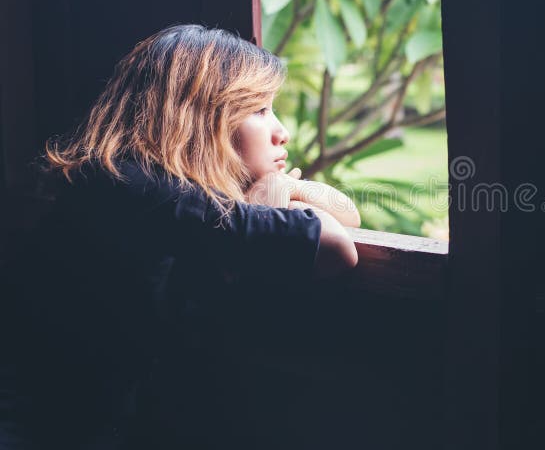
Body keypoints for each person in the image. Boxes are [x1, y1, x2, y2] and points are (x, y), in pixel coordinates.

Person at [0, 24, 360, 449]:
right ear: (203, 115)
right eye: (260, 110)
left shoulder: (134, 180)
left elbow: (346, 215)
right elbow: (337, 249)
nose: (282, 131)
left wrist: (277, 191)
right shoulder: (141, 191)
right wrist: (265, 202)